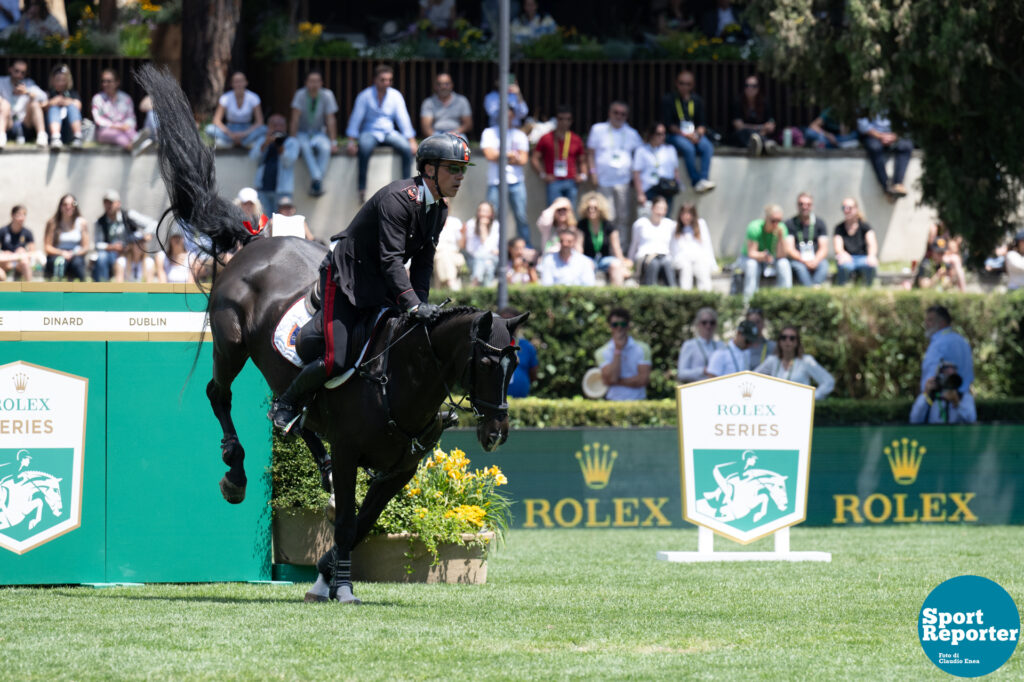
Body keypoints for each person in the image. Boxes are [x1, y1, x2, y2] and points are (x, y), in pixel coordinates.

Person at [268, 132, 473, 433]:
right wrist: (413, 305)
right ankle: (286, 404)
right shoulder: (398, 200)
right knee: (336, 359)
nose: (460, 176)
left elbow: (423, 263)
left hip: (381, 283)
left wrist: (421, 306)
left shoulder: (438, 210)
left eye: (463, 170)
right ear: (429, 169)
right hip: (346, 279)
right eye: (453, 168)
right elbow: (391, 260)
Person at [345, 64, 418, 204]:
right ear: (375, 80)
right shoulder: (365, 96)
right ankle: (362, 188)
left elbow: (403, 118)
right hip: (369, 131)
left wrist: (411, 140)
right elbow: (356, 119)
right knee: (364, 149)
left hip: (388, 132)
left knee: (405, 148)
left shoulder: (395, 95)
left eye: (389, 80)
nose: (386, 83)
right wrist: (351, 141)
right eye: (383, 80)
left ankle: (408, 188)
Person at [587, 101, 643, 251]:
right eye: (616, 113)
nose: (619, 116)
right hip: (604, 180)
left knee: (622, 217)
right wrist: (592, 173)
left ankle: (621, 249)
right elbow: (590, 154)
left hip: (624, 181)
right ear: (609, 113)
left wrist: (635, 178)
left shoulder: (632, 133)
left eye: (622, 114)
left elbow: (639, 156)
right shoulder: (598, 129)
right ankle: (605, 248)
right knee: (606, 216)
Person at [481, 103, 531, 246]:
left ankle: (526, 247)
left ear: (513, 116)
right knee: (491, 216)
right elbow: (489, 155)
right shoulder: (489, 132)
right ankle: (492, 246)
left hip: (516, 181)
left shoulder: (519, 135)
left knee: (521, 216)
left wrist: (501, 156)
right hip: (495, 181)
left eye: (509, 116)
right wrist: (511, 155)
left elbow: (523, 160)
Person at [661, 69, 715, 193]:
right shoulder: (669, 100)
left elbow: (702, 124)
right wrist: (686, 135)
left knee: (707, 146)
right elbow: (669, 125)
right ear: (676, 83)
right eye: (681, 83)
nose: (684, 87)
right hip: (676, 135)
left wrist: (697, 134)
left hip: (693, 134)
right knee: (688, 148)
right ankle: (695, 181)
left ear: (692, 85)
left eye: (688, 84)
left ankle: (704, 179)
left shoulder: (697, 100)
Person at [289, 70, 339, 198]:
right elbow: (294, 118)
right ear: (306, 83)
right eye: (311, 81)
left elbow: (330, 119)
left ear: (321, 83)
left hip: (319, 132)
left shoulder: (327, 95)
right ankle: (317, 179)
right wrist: (293, 139)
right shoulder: (300, 94)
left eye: (317, 81)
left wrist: (333, 141)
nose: (314, 84)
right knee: (305, 147)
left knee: (325, 148)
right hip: (302, 132)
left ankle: (316, 180)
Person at [755, 325, 835, 400]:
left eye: (792, 338)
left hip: (800, 409)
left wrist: (812, 398)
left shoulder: (806, 361)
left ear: (797, 342)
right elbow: (752, 378)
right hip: (776, 409)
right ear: (779, 341)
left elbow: (828, 381)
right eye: (783, 337)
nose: (787, 341)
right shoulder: (772, 361)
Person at [531, 105, 588, 207]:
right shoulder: (546, 138)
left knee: (570, 212)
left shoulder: (576, 139)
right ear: (556, 120)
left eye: (568, 119)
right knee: (553, 211)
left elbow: (582, 160)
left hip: (571, 180)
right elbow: (535, 158)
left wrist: (583, 175)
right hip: (554, 180)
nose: (564, 122)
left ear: (571, 121)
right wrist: (543, 175)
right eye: (561, 119)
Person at [596, 307, 651, 401]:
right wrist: (618, 350)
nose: (619, 328)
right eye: (615, 324)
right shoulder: (601, 352)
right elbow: (612, 378)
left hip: (639, 401)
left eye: (622, 324)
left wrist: (616, 381)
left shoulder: (643, 348)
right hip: (613, 401)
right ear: (610, 327)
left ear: (628, 326)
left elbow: (643, 380)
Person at [251, 114, 301, 215]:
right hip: (263, 189)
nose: (277, 128)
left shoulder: (292, 142)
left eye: (280, 125)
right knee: (264, 224)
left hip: (282, 190)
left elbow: (288, 162)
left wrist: (280, 147)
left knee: (283, 223)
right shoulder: (262, 141)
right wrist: (266, 143)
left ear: (285, 127)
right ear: (268, 127)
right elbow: (254, 158)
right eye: (274, 125)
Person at [578, 191, 630, 287]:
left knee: (616, 265)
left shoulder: (608, 225)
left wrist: (622, 265)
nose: (591, 210)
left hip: (604, 259)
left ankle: (617, 295)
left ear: (601, 209)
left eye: (595, 208)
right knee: (587, 265)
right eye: (589, 208)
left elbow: (616, 248)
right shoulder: (582, 225)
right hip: (588, 258)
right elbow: (578, 247)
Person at [205, 71, 267, 150]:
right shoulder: (225, 98)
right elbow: (216, 120)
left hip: (247, 129)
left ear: (246, 82)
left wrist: (244, 134)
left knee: (264, 129)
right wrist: (230, 134)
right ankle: (245, 143)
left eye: (241, 81)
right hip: (230, 129)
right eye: (236, 82)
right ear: (232, 84)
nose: (239, 84)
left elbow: (259, 122)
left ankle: (230, 143)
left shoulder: (254, 98)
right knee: (209, 129)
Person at [920, 304, 973, 395]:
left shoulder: (938, 343)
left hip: (942, 402)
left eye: (930, 320)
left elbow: (930, 377)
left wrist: (925, 396)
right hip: (965, 401)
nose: (925, 323)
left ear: (942, 322)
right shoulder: (962, 341)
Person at [857, 113, 912, 197]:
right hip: (873, 135)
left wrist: (895, 136)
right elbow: (862, 125)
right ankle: (886, 185)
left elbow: (906, 124)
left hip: (895, 135)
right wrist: (880, 136)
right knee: (875, 148)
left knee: (906, 146)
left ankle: (898, 184)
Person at [93, 189, 143, 282]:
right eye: (106, 202)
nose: (108, 205)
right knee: (101, 257)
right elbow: (96, 244)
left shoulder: (128, 216)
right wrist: (112, 247)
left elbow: (151, 224)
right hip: (110, 253)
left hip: (129, 252)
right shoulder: (100, 222)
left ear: (118, 203)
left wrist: (144, 236)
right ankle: (103, 290)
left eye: (111, 202)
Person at [743, 204, 792, 299]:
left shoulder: (782, 228)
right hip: (753, 259)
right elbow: (751, 253)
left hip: (770, 260)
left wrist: (781, 238)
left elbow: (782, 255)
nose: (776, 224)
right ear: (766, 218)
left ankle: (785, 299)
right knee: (751, 265)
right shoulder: (755, 227)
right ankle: (749, 302)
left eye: (779, 221)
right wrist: (763, 256)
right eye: (773, 221)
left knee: (784, 263)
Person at [782, 192, 830, 287]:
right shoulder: (790, 223)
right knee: (799, 267)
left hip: (815, 258)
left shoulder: (819, 223)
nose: (805, 207)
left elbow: (824, 248)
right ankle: (810, 290)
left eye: (808, 204)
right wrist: (804, 260)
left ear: (812, 206)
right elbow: (789, 249)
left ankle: (814, 287)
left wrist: (815, 260)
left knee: (824, 265)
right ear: (797, 205)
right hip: (798, 259)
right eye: (801, 204)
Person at [629, 195, 676, 287]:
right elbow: (634, 244)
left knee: (667, 263)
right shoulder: (640, 223)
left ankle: (674, 294)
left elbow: (673, 245)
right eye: (658, 208)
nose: (660, 212)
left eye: (663, 209)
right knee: (653, 263)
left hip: (664, 257)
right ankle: (649, 291)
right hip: (645, 257)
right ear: (652, 208)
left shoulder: (670, 224)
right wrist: (630, 260)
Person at [92, 69, 143, 152]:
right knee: (118, 135)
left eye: (108, 81)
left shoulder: (126, 98)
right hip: (104, 131)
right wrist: (115, 126)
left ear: (117, 82)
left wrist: (126, 125)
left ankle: (141, 143)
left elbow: (131, 117)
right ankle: (133, 147)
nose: (105, 84)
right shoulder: (97, 98)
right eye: (103, 81)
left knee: (129, 130)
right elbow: (97, 119)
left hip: (124, 129)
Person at [910, 361, 976, 425]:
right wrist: (926, 394)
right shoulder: (931, 397)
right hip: (933, 434)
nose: (948, 380)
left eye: (952, 376)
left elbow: (971, 420)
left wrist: (957, 403)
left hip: (956, 435)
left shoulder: (964, 397)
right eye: (945, 374)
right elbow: (914, 420)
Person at [0, 58, 47, 147]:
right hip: (7, 123)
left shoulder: (29, 83)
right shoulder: (1, 81)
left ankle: (42, 135)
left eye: (23, 72)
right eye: (16, 71)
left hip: (25, 123)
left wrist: (27, 92)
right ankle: (1, 136)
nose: (19, 75)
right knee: (5, 104)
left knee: (35, 104)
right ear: (10, 69)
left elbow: (44, 97)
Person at [632, 122, 681, 208]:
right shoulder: (641, 150)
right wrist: (640, 194)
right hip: (649, 188)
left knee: (666, 219)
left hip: (667, 188)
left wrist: (677, 185)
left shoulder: (670, 149)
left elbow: (675, 170)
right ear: (652, 134)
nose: (661, 136)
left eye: (663, 134)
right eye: (658, 134)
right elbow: (636, 173)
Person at [43, 193, 90, 281]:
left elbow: (86, 247)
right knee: (59, 264)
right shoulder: (52, 223)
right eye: (65, 204)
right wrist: (62, 253)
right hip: (57, 255)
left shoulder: (82, 223)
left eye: (72, 204)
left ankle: (82, 293)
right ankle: (56, 292)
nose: (69, 207)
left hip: (76, 255)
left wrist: (73, 254)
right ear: (60, 207)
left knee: (77, 265)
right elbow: (47, 247)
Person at [670, 202, 716, 291]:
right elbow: (673, 248)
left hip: (698, 258)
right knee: (686, 270)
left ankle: (706, 296)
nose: (686, 217)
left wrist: (712, 263)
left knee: (702, 271)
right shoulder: (675, 227)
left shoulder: (700, 224)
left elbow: (707, 245)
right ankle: (686, 295)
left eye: (689, 213)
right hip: (682, 259)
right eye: (683, 213)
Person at [834, 197, 878, 286]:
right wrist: (843, 254)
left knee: (871, 265)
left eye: (849, 208)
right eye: (844, 208)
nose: (846, 210)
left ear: (856, 209)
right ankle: (842, 289)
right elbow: (838, 247)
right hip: (847, 258)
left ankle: (867, 288)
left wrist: (871, 256)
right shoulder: (839, 228)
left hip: (863, 258)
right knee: (844, 266)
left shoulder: (865, 227)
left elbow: (872, 244)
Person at [912, 220, 966, 292]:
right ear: (933, 252)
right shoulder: (926, 264)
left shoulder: (943, 264)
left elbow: (952, 282)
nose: (941, 256)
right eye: (938, 253)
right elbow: (924, 286)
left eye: (942, 253)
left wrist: (951, 276)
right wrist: (937, 276)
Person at [729, 74, 775, 156]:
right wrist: (760, 128)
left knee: (757, 136)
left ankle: (759, 143)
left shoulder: (765, 102)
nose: (750, 88)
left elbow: (771, 124)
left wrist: (765, 128)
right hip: (746, 135)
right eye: (747, 86)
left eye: (754, 86)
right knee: (744, 133)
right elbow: (738, 126)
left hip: (761, 133)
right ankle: (763, 144)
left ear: (758, 88)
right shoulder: (738, 102)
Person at [677, 307, 724, 382]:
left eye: (712, 323)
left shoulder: (721, 345)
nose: (708, 326)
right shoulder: (689, 345)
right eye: (704, 322)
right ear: (698, 324)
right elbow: (681, 374)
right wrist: (702, 371)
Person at [500, 306, 538, 398]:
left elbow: (533, 375)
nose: (508, 325)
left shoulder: (527, 346)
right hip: (495, 401)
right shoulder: (492, 344)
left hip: (520, 400)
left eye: (512, 321)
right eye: (504, 321)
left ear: (519, 324)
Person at [419, 72, 472, 137]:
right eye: (439, 84)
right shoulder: (428, 102)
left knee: (462, 145)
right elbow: (426, 127)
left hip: (457, 133)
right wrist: (435, 138)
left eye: (446, 84)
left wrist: (454, 132)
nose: (443, 87)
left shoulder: (462, 100)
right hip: (436, 134)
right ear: (435, 86)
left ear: (452, 85)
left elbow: (468, 124)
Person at [44, 64, 83, 148]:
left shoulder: (72, 93)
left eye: (63, 80)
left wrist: (68, 102)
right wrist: (52, 102)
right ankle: (55, 138)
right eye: (58, 80)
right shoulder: (49, 93)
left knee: (72, 107)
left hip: (68, 131)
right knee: (54, 108)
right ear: (53, 80)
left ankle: (77, 137)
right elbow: (43, 107)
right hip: (52, 132)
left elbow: (78, 106)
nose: (61, 83)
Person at [464, 201, 501, 286]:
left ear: (491, 214)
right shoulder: (471, 224)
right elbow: (470, 249)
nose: (483, 214)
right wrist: (481, 227)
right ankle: (487, 289)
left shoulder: (496, 225)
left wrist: (483, 228)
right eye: (481, 210)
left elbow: (492, 248)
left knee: (485, 261)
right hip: (474, 258)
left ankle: (475, 282)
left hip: (492, 258)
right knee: (487, 265)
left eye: (486, 211)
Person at [0, 204, 34, 281]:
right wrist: (5, 253)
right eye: (19, 215)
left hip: (20, 262)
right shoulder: (3, 231)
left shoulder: (27, 233)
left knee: (25, 262)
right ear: (12, 216)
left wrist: (22, 252)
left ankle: (30, 288)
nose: (21, 218)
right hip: (5, 262)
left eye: (24, 215)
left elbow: (32, 252)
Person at [433, 214, 466, 290]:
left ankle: (450, 282)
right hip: (437, 253)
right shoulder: (431, 220)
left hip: (454, 254)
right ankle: (452, 284)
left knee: (445, 256)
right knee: (443, 255)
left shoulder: (455, 222)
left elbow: (461, 245)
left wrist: (463, 233)